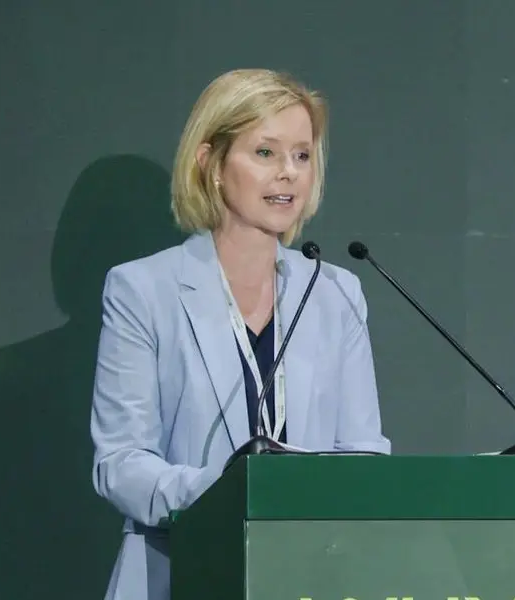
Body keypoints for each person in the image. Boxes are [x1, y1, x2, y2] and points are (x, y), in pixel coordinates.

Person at [89, 68, 390, 600]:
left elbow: (362, 456)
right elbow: (121, 464)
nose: (289, 173)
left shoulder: (335, 292)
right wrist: (237, 492)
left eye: (302, 155)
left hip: (310, 579)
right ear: (210, 163)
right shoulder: (143, 290)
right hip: (182, 573)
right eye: (266, 153)